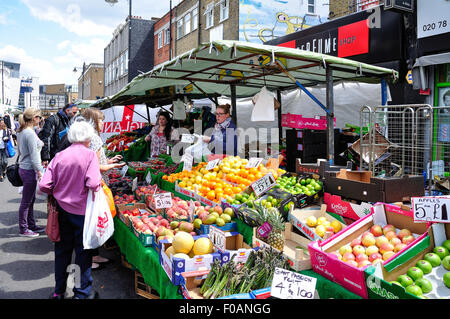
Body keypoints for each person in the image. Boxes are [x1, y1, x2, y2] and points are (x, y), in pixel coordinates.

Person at [38, 121, 102, 299]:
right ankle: (81, 293)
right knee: (83, 253)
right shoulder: (89, 156)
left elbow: (44, 185)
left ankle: (59, 291)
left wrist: (58, 191)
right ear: (88, 138)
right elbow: (93, 183)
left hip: (61, 211)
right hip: (82, 213)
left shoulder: (59, 156)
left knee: (62, 251)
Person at [80, 108, 125, 269]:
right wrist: (113, 165)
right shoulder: (95, 138)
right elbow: (96, 167)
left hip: (86, 184)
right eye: (100, 120)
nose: (103, 123)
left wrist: (108, 159)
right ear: (93, 121)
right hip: (96, 184)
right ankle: (90, 259)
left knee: (90, 218)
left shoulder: (84, 137)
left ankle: (94, 255)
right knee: (94, 219)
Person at [16, 108, 45, 237]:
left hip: (24, 168)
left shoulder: (22, 131)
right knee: (27, 201)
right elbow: (34, 157)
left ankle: (30, 224)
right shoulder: (30, 133)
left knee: (29, 200)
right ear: (34, 118)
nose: (40, 119)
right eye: (39, 117)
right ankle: (24, 228)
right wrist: (39, 171)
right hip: (29, 169)